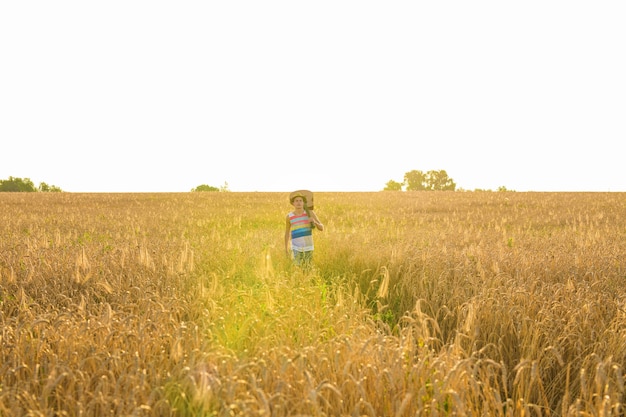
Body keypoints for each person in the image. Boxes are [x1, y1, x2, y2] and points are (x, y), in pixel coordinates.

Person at [285, 191, 324, 267]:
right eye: (296, 201)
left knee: (307, 268)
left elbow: (322, 228)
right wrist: (286, 249)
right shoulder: (289, 216)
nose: (299, 203)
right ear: (293, 203)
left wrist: (314, 222)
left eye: (300, 201)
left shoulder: (310, 213)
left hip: (308, 246)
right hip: (295, 247)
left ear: (303, 203)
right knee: (297, 268)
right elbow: (287, 233)